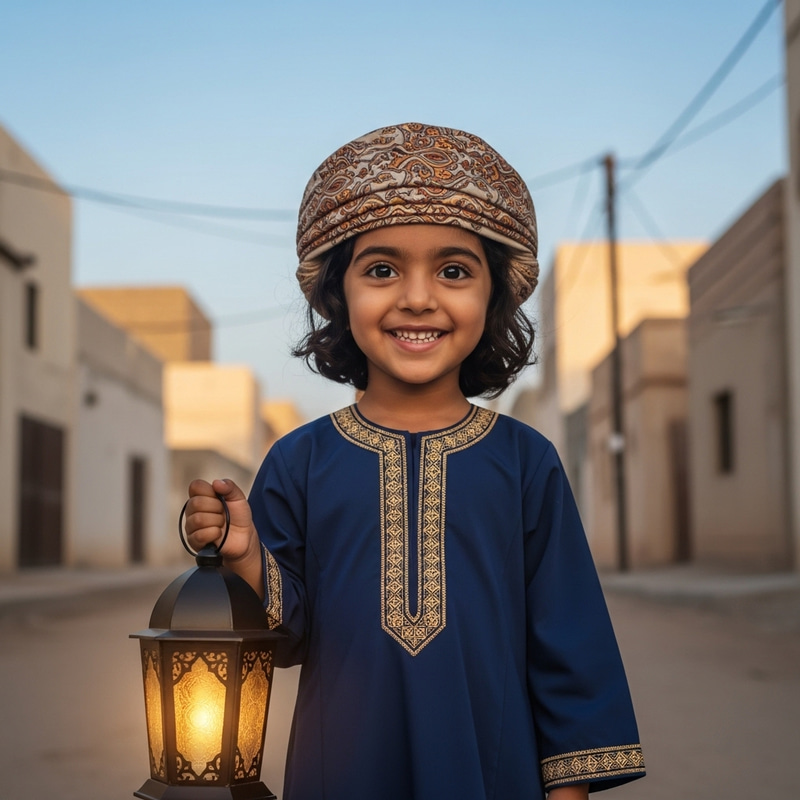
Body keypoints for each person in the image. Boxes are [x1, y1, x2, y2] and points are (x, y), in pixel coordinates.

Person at [185, 122, 645, 800]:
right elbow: (284, 641)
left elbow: (568, 643)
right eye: (382, 269)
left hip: (494, 776)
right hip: (339, 774)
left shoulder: (526, 461)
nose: (418, 298)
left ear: (495, 296)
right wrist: (245, 556)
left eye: (454, 270)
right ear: (340, 294)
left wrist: (566, 792)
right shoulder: (299, 460)